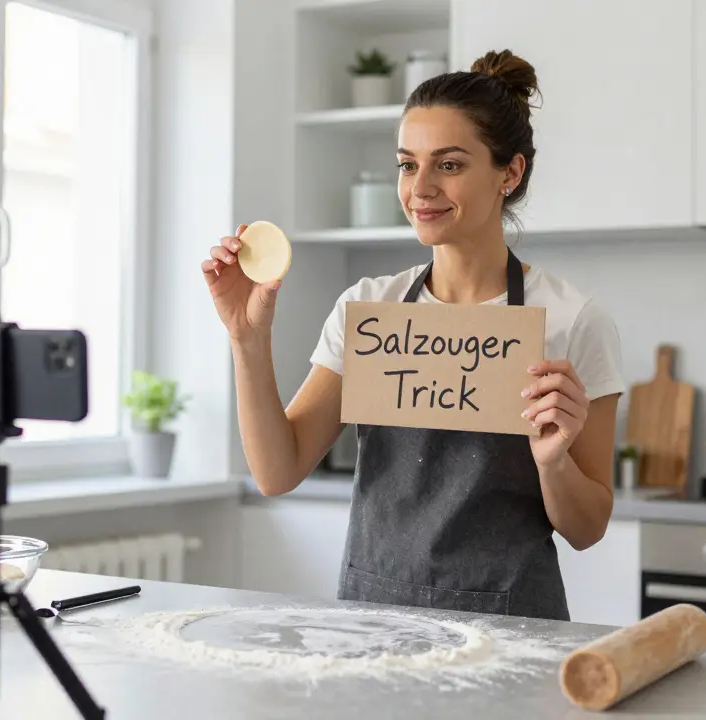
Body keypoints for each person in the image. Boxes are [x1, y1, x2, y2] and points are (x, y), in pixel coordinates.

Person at [200, 49, 625, 621]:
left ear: (511, 172)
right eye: (407, 164)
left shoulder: (572, 319)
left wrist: (553, 463)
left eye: (449, 165)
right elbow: (278, 472)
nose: (420, 188)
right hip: (376, 624)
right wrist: (246, 340)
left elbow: (588, 528)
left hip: (514, 630)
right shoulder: (369, 308)